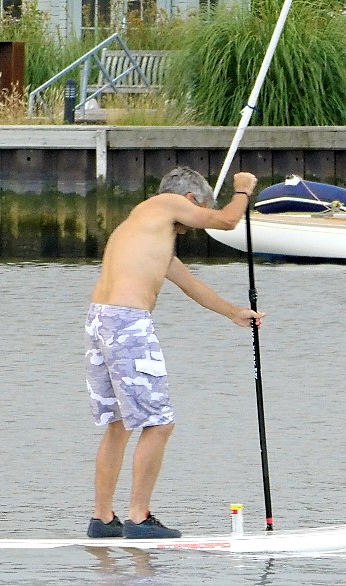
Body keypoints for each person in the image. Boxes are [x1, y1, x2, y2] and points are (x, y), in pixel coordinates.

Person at [84, 166, 263, 539]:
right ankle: (138, 517)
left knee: (118, 425)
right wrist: (243, 190)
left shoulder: (143, 231)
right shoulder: (165, 204)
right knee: (159, 423)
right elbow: (228, 222)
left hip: (100, 320)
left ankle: (102, 520)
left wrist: (234, 313)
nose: (188, 227)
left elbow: (190, 284)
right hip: (126, 324)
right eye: (195, 215)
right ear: (190, 201)